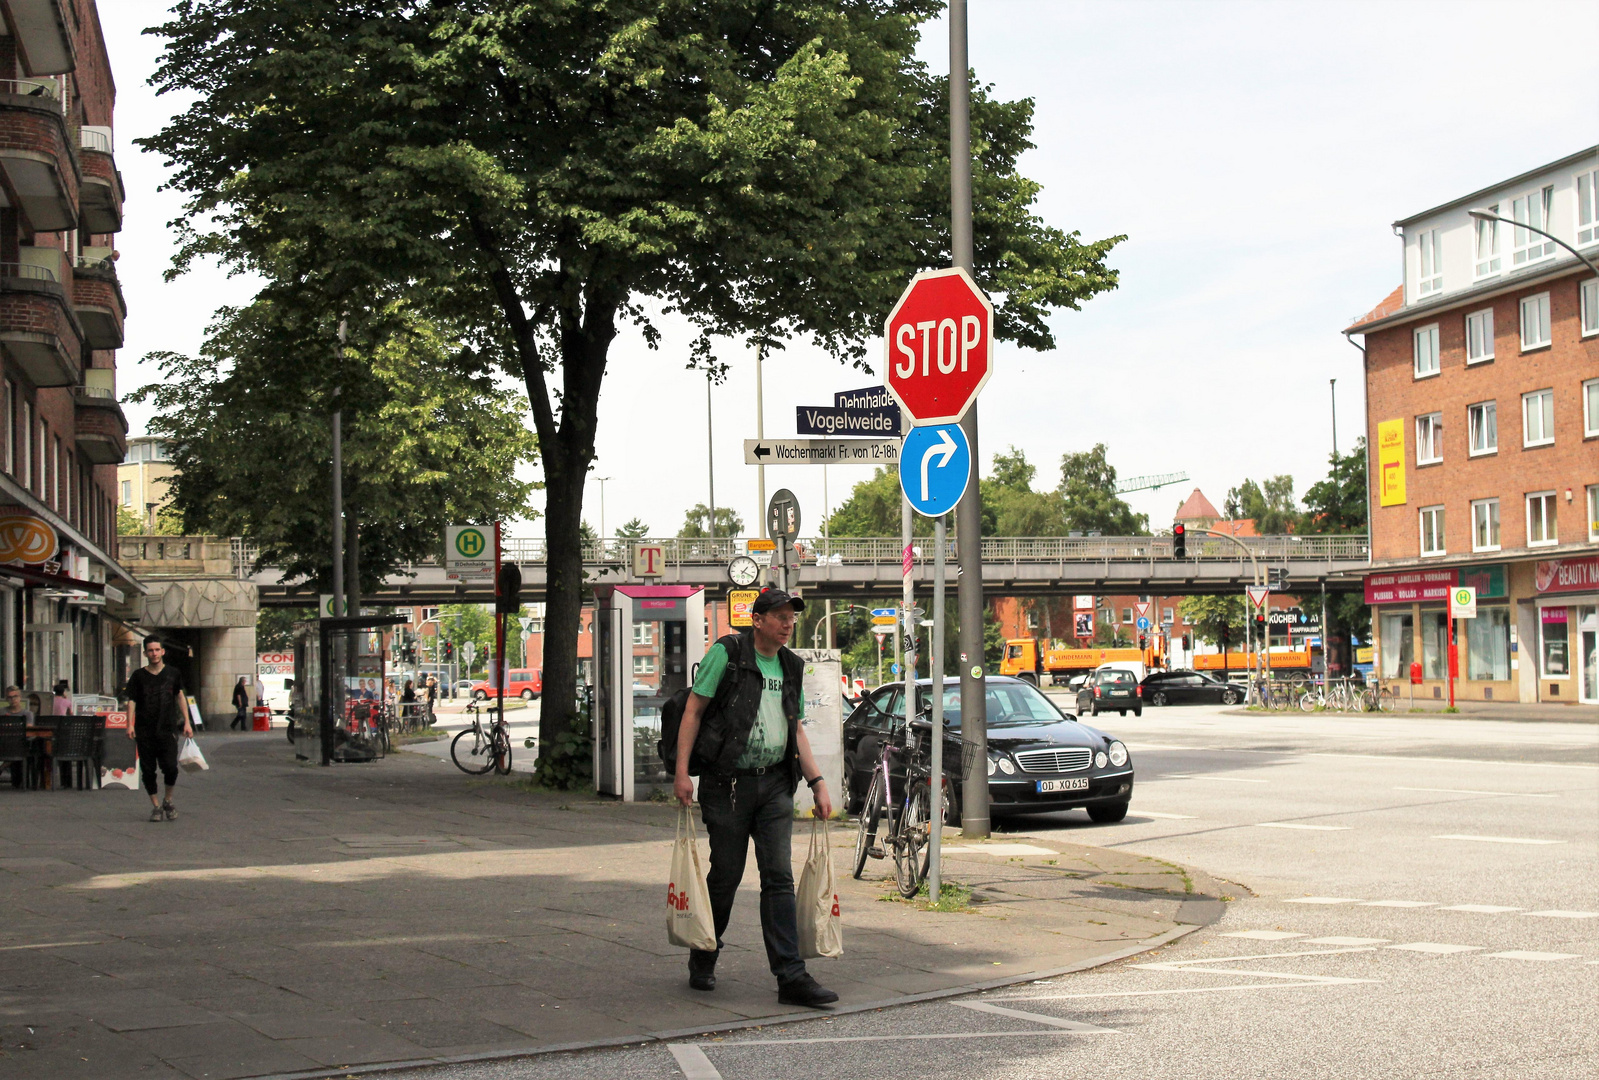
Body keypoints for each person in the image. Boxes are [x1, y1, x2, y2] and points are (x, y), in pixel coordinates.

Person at [672, 588, 837, 1008]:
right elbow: (693, 711)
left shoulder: (790, 666)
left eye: (791, 617)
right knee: (725, 876)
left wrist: (817, 782)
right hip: (726, 784)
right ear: (757, 619)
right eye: (779, 616)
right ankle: (705, 952)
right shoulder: (726, 654)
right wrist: (681, 774)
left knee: (778, 877)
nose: (787, 624)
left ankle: (791, 977)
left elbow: (795, 726)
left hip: (776, 785)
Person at [123, 639, 193, 822]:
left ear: (162, 651)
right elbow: (132, 700)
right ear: (145, 654)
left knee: (170, 767)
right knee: (148, 770)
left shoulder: (173, 673)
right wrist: (129, 724)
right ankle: (155, 806)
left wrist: (187, 721)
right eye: (150, 650)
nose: (154, 653)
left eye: (157, 650)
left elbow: (180, 696)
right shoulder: (138, 676)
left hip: (168, 728)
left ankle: (168, 799)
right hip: (144, 730)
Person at [3, 686, 32, 787]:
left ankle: (3, 766)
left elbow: (29, 729)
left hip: (19, 743)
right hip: (3, 743)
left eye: (15, 696)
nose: (13, 699)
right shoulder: (2, 712)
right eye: (10, 697)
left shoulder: (27, 714)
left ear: (20, 697)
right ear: (6, 699)